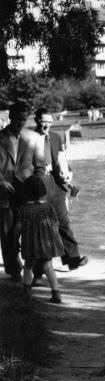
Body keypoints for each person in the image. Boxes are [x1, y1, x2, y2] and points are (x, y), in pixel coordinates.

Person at [31, 109, 87, 271]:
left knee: (63, 222)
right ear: (36, 120)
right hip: (38, 183)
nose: (46, 124)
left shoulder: (56, 137)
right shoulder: (29, 139)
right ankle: (38, 267)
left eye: (49, 121)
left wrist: (70, 180)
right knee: (41, 226)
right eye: (43, 121)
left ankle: (72, 259)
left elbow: (62, 161)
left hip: (57, 184)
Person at [13, 176, 64, 303]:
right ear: (43, 191)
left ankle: (26, 291)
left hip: (31, 244)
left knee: (28, 266)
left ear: (26, 192)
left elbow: (18, 227)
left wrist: (15, 241)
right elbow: (56, 223)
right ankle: (56, 293)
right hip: (47, 244)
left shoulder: (24, 209)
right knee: (48, 267)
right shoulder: (49, 207)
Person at [0, 102, 33, 281]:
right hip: (5, 191)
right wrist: (1, 182)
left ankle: (30, 265)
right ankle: (13, 269)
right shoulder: (0, 137)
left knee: (26, 230)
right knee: (7, 232)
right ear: (10, 117)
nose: (21, 123)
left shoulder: (29, 138)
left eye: (24, 119)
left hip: (25, 190)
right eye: (18, 119)